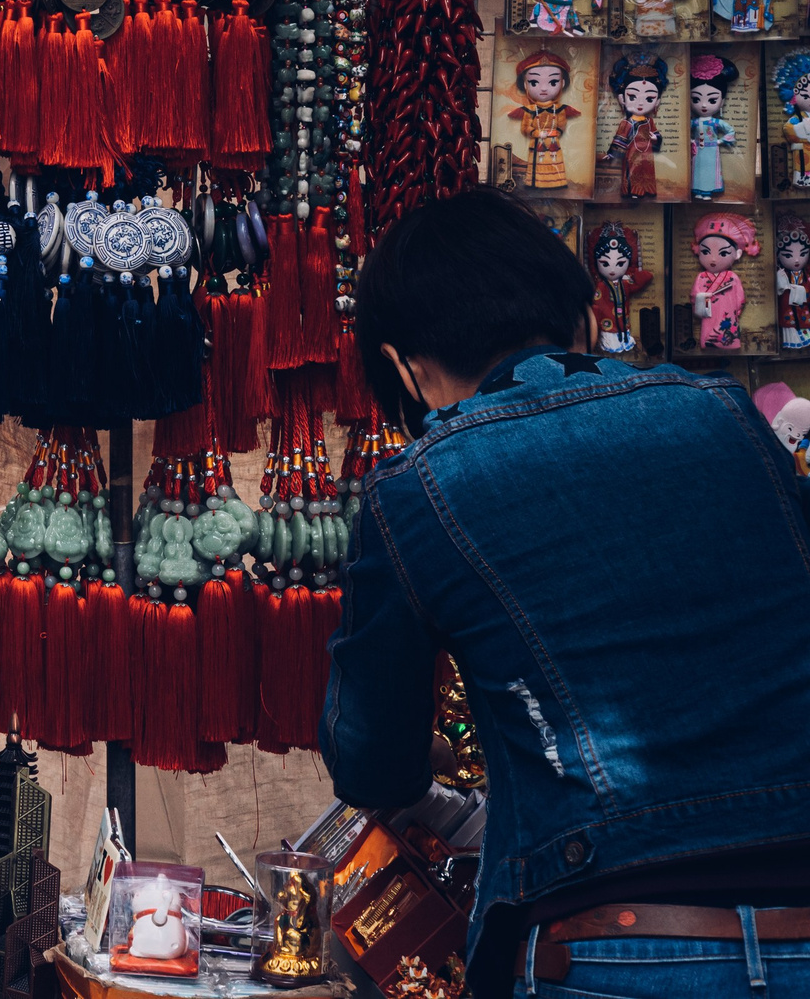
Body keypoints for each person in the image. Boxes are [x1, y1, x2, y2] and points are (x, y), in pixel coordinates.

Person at [327, 188, 810, 999]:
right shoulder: (728, 416)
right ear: (586, 320)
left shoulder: (416, 489)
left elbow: (370, 760)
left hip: (610, 943)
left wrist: (435, 757)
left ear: (403, 367)